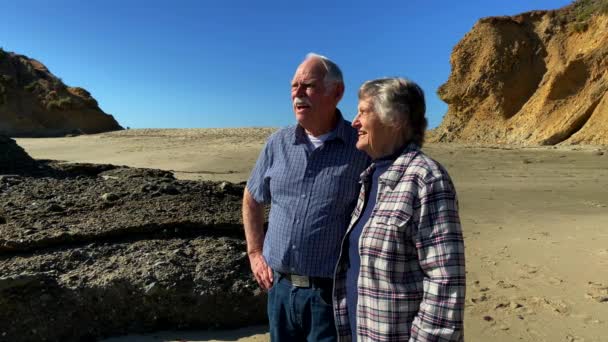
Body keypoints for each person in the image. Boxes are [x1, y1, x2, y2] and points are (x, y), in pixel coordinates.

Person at [243, 53, 369, 341]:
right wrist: (254, 254)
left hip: (330, 295)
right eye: (293, 86)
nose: (297, 94)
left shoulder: (360, 148)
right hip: (279, 289)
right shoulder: (278, 142)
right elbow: (252, 197)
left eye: (308, 86)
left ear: (336, 93)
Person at [333, 77, 466, 341]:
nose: (354, 122)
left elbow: (446, 283)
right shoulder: (370, 177)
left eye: (363, 112)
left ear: (396, 119)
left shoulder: (426, 178)